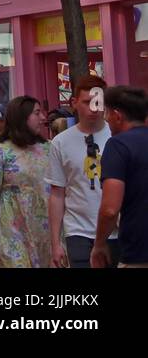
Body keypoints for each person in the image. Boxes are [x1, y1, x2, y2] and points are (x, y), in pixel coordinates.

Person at [47, 75, 118, 268]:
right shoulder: (60, 143)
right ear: (75, 103)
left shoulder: (118, 136)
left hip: (116, 230)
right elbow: (57, 193)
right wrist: (55, 243)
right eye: (87, 102)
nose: (93, 108)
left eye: (99, 102)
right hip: (78, 230)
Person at [0, 95, 52, 268]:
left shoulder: (49, 148)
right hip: (10, 233)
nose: (43, 118)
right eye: (37, 113)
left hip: (44, 233)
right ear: (22, 117)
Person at [94, 85, 148, 268]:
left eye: (107, 114)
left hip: (139, 252)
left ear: (117, 116)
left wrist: (99, 244)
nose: (107, 120)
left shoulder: (118, 145)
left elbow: (110, 209)